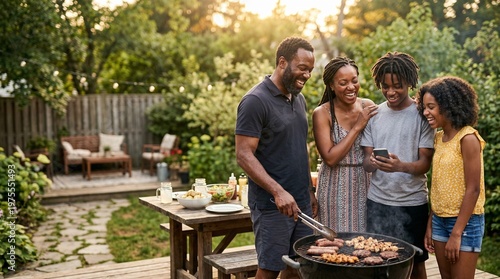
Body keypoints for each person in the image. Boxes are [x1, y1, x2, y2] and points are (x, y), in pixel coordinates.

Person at [235, 37, 318, 279]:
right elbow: (243, 154)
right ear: (282, 62)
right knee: (269, 269)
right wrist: (277, 191)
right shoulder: (255, 101)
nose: (307, 75)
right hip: (273, 205)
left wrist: (309, 190)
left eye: (310, 70)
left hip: (301, 202)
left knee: (297, 266)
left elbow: (299, 148)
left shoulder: (298, 98)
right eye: (302, 68)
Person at [360, 51, 435, 279]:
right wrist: (372, 162)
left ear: (410, 83)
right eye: (385, 86)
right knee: (376, 262)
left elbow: (424, 164)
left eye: (397, 86)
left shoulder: (422, 116)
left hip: (412, 203)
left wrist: (400, 166)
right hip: (378, 202)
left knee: (415, 262)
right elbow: (365, 162)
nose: (390, 92)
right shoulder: (374, 115)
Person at [417, 76, 485, 279]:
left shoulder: (468, 138)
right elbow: (438, 186)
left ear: (448, 106)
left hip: (465, 223)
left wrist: (457, 233)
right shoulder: (438, 138)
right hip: (439, 220)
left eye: (431, 107)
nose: (425, 112)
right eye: (424, 107)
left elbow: (473, 189)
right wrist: (430, 223)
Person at [312, 57, 378, 232]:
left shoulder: (367, 106)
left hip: (366, 184)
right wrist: (358, 126)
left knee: (366, 244)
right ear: (332, 86)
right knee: (336, 245)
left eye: (354, 81)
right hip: (334, 187)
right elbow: (330, 158)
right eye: (343, 83)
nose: (351, 87)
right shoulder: (322, 113)